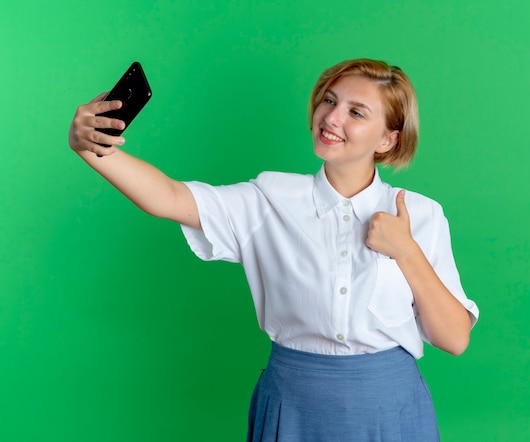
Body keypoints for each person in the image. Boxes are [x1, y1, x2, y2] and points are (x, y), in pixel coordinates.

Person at [69, 58, 479, 441]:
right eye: (329, 101)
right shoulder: (270, 197)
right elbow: (169, 197)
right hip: (292, 402)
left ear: (389, 139)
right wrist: (91, 148)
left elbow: (455, 339)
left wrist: (406, 252)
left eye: (356, 112)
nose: (332, 118)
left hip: (391, 409)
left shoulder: (420, 214)